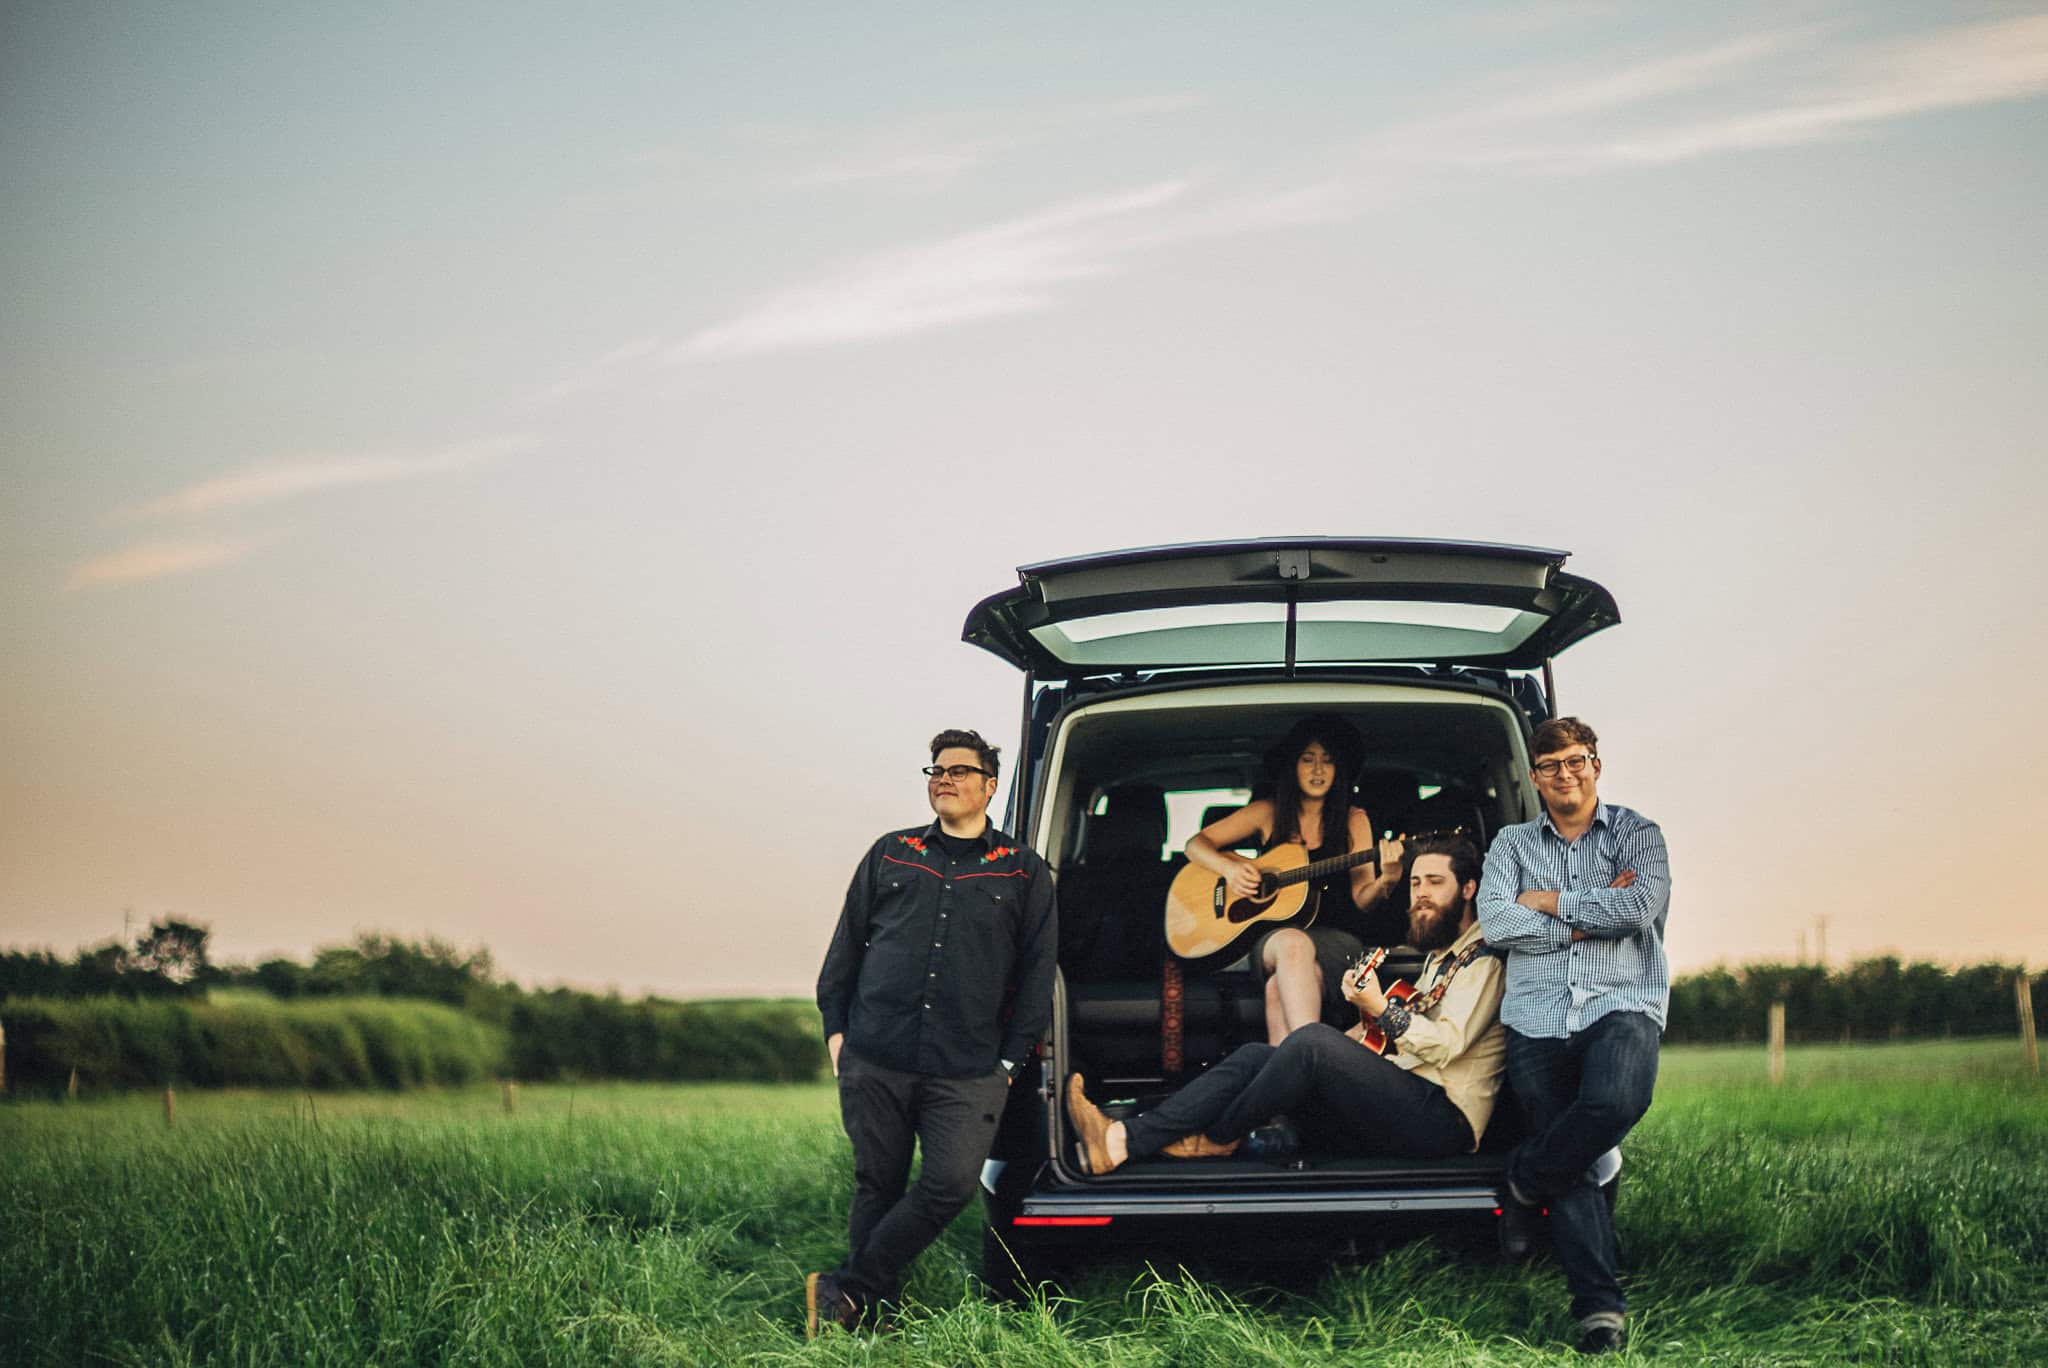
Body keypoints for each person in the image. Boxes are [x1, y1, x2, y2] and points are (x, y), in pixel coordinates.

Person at [808, 728, 1057, 1336]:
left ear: (989, 786)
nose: (943, 778)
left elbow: (1036, 975)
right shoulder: (891, 853)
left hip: (970, 1068)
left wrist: (1008, 1064)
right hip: (876, 1053)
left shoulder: (1023, 871)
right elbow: (846, 948)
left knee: (949, 1185)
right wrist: (836, 1033)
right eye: (935, 770)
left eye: (959, 770)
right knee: (879, 1184)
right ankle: (866, 1320)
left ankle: (844, 1288)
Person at [1067, 836, 1503, 1171]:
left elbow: (1445, 1046)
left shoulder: (1484, 962)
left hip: (1444, 1123)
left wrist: (1377, 1007)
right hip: (1405, 1100)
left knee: (1310, 1040)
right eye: (1414, 883)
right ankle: (1122, 1139)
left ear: (1468, 889)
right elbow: (1400, 1038)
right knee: (1263, 1053)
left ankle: (1216, 1136)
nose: (1420, 894)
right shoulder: (1439, 959)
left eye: (1434, 883)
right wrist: (1358, 1035)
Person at [1476, 717, 1671, 1356]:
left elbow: (1638, 907)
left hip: (1622, 1004)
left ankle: (1525, 1177)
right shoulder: (1510, 843)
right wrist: (1587, 917)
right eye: (1553, 764)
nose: (1568, 773)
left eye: (1578, 760)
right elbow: (1498, 923)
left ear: (1596, 764)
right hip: (1535, 1016)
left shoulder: (1639, 835)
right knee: (1580, 1162)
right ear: (1534, 777)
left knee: (1614, 1105)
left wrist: (1549, 901)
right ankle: (1600, 1312)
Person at [1184, 714, 1405, 1044]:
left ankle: (1292, 1074)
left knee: (1277, 988)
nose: (1318, 770)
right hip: (1274, 938)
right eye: (1308, 760)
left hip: (1337, 941)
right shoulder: (1267, 812)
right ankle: (1314, 1054)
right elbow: (1195, 845)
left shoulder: (1354, 819)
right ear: (1293, 766)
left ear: (1338, 770)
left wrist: (1386, 881)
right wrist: (1229, 869)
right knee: (1291, 942)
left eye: (1327, 761)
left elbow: (1362, 895)